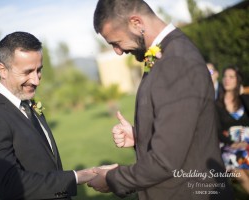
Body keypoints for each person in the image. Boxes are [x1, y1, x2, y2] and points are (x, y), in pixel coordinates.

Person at [87, 0, 234, 199]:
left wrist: (112, 178)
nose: (118, 51)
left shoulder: (177, 62)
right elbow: (181, 127)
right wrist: (139, 137)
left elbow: (165, 161)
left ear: (137, 23)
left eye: (116, 42)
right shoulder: (167, 54)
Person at [0, 31, 96, 199]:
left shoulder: (28, 103)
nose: (36, 80)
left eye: (39, 70)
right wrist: (78, 177)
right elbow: (10, 184)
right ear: (2, 70)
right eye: (28, 71)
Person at [216, 66, 249, 193]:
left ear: (237, 80)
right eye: (225, 77)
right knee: (237, 170)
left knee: (245, 160)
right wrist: (232, 143)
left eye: (231, 77)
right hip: (229, 146)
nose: (227, 80)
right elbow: (217, 130)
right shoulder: (217, 105)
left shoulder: (245, 100)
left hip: (247, 143)